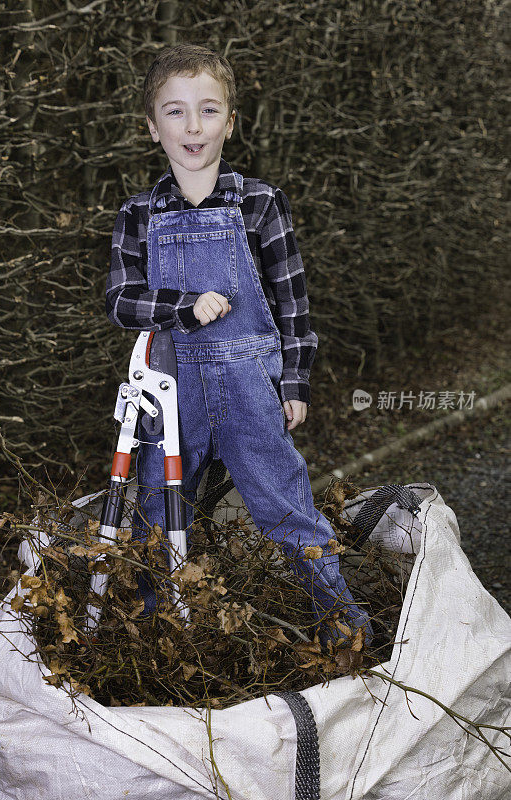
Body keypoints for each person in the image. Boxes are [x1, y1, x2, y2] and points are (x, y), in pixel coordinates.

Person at [106, 43, 373, 649]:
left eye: (208, 110)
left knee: (286, 505)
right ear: (152, 127)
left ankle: (341, 625)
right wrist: (182, 306)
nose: (192, 126)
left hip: (252, 386)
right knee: (159, 513)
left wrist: (296, 381)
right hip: (172, 395)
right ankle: (160, 635)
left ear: (231, 121)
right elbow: (121, 301)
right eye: (174, 112)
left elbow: (292, 303)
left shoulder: (259, 203)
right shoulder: (139, 214)